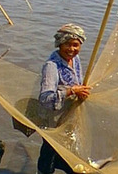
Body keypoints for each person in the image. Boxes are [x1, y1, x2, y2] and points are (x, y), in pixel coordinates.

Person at [37, 23, 92, 174]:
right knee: (49, 155)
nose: (72, 49)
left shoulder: (75, 60)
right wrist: (72, 90)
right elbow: (45, 98)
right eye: (67, 44)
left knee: (65, 154)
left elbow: (76, 82)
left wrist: (79, 91)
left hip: (68, 117)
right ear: (60, 44)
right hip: (53, 121)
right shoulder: (51, 66)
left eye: (76, 45)